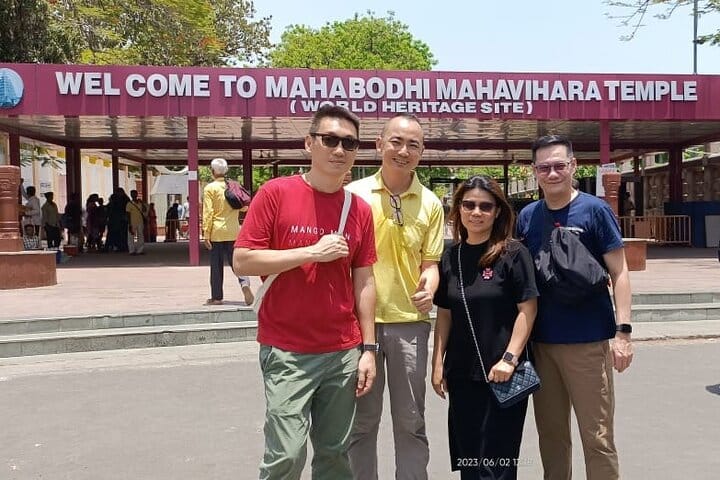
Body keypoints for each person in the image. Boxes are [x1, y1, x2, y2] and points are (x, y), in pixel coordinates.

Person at [233, 105, 378, 480]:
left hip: (342, 351)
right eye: (330, 140)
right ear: (309, 143)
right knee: (286, 454)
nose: (339, 149)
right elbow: (243, 260)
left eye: (349, 143)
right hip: (287, 350)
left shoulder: (359, 210)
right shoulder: (276, 193)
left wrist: (369, 349)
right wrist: (311, 253)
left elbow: (364, 281)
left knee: (334, 455)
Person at [516, 135, 633, 480]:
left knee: (597, 436)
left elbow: (620, 272)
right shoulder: (528, 216)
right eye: (544, 168)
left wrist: (623, 333)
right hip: (542, 344)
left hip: (588, 343)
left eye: (559, 165)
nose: (552, 173)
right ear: (534, 171)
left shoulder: (595, 210)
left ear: (574, 166)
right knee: (551, 437)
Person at [346, 113, 445, 480]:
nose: (404, 151)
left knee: (411, 422)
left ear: (422, 151)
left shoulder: (431, 203)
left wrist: (429, 287)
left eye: (413, 145)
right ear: (379, 145)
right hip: (358, 327)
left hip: (410, 326)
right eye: (396, 142)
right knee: (360, 423)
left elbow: (430, 263)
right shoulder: (352, 196)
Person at [432, 176, 538, 480]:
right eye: (469, 205)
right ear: (458, 209)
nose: (476, 212)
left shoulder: (513, 253)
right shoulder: (450, 256)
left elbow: (528, 309)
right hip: (462, 373)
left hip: (504, 373)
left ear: (497, 211)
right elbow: (445, 314)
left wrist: (510, 358)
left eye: (485, 206)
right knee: (469, 458)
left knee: (498, 461)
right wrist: (437, 363)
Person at [202, 158, 254, 306]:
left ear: (212, 171)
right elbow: (244, 207)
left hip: (217, 232)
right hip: (234, 231)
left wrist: (206, 234)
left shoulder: (210, 188)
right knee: (237, 262)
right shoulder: (233, 186)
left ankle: (217, 297)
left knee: (216, 266)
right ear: (225, 171)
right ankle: (244, 283)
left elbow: (208, 213)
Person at [125, 189, 147, 255]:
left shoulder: (140, 203)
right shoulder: (129, 204)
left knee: (141, 236)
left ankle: (140, 250)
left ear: (137, 194)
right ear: (131, 195)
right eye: (132, 194)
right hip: (132, 222)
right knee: (130, 237)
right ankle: (131, 250)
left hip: (140, 221)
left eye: (135, 193)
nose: (134, 195)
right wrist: (129, 224)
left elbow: (144, 210)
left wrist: (142, 203)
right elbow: (128, 214)